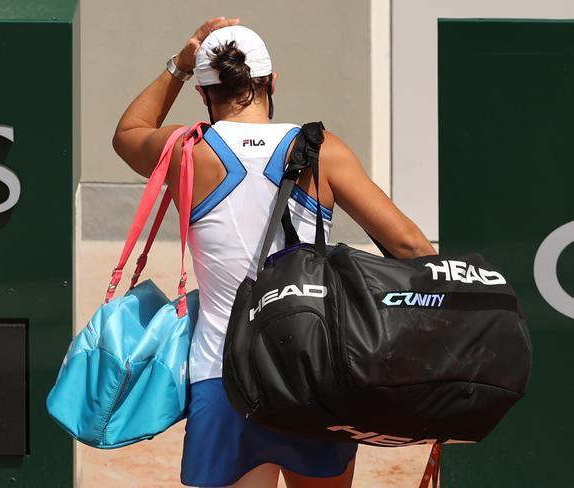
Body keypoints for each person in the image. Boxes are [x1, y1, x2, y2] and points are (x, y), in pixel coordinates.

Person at [112, 17, 437, 488]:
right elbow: (410, 246)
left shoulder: (186, 150)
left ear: (204, 93)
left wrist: (179, 66)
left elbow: (128, 132)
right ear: (272, 81)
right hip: (314, 370)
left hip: (223, 375)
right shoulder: (323, 151)